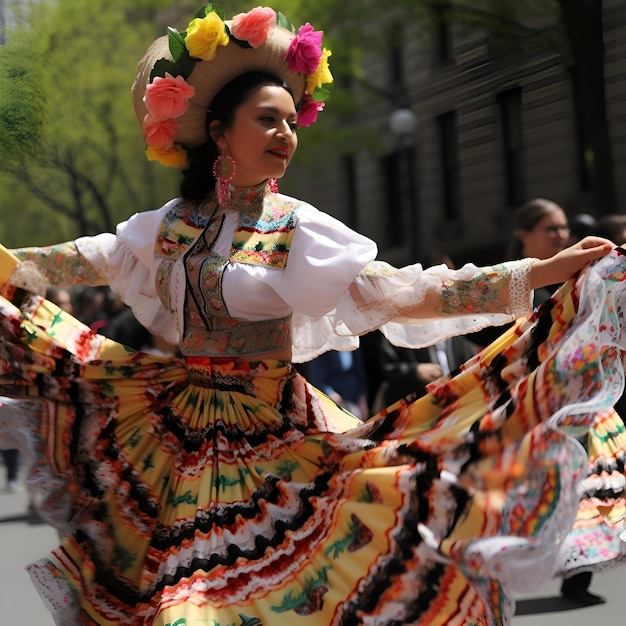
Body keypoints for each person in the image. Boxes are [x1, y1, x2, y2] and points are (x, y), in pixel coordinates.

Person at [0, 5, 621, 624]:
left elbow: (407, 293)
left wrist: (538, 273)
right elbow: (72, 261)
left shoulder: (298, 227)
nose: (285, 135)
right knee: (178, 605)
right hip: (177, 433)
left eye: (291, 122)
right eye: (266, 120)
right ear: (219, 133)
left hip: (275, 434)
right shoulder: (167, 227)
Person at [306, 348, 369, 419]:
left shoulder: (354, 345)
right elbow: (317, 378)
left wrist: (362, 397)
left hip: (354, 400)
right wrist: (332, 395)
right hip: (333, 402)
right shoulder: (323, 348)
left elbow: (360, 373)